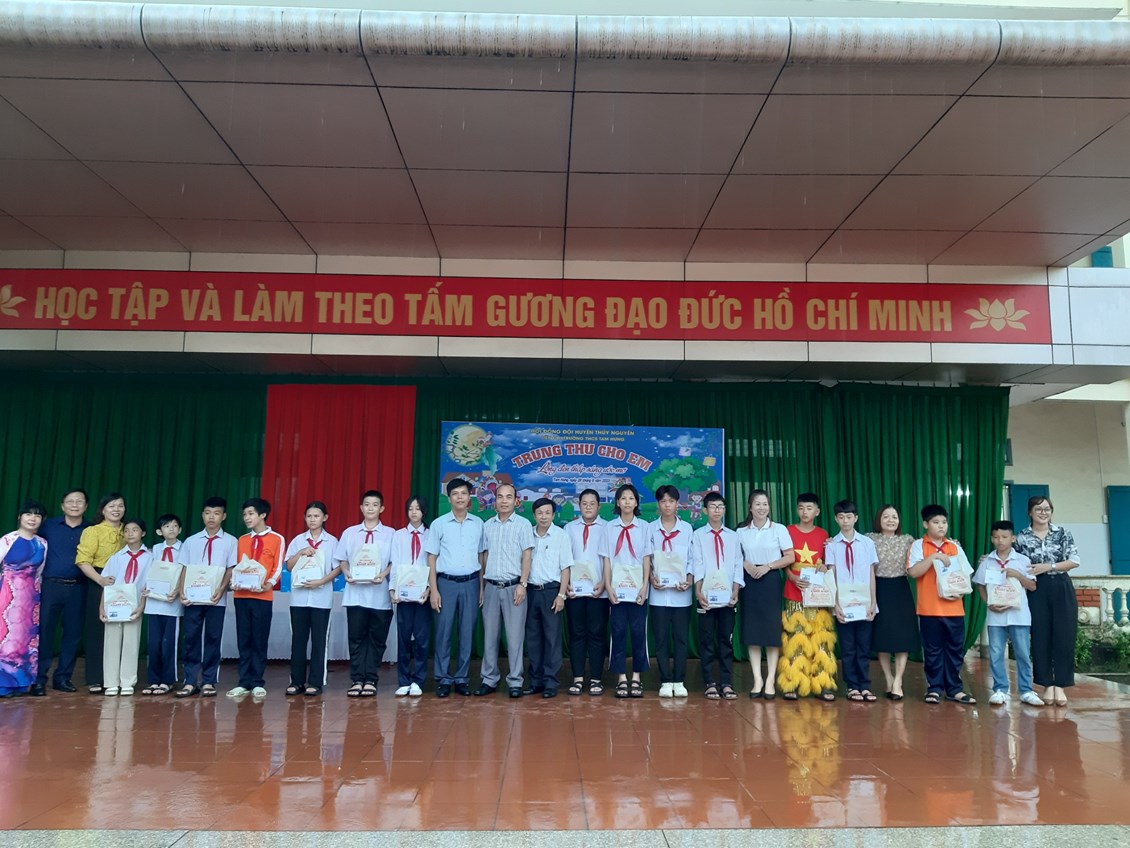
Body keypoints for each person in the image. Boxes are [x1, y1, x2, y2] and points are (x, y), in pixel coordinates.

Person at [1013, 497, 1080, 707]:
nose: (1043, 512)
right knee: (1040, 635)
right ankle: (1046, 684)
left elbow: (1074, 561)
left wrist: (1048, 567)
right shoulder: (1021, 536)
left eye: (1047, 509)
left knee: (1064, 635)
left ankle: (1060, 685)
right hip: (1035, 589)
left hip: (1061, 585)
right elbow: (1013, 560)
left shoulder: (1062, 533)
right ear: (1030, 512)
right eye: (1038, 509)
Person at [907, 504, 976, 705]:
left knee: (955, 650)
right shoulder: (919, 545)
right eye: (936, 522)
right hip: (929, 609)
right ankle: (934, 688)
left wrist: (960, 592)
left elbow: (966, 574)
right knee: (933, 650)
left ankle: (955, 689)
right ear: (925, 524)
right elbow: (913, 572)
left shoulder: (954, 546)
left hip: (954, 608)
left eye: (944, 522)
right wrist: (933, 557)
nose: (941, 526)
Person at [425, 478, 485, 698]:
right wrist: (434, 589)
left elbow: (481, 556)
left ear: (470, 497)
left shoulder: (478, 523)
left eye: (464, 493)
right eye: (455, 493)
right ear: (448, 497)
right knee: (443, 633)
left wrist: (481, 588)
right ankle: (442, 678)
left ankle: (461, 678)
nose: (460, 497)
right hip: (445, 584)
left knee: (467, 633)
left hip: (471, 583)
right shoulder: (439, 524)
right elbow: (431, 558)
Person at [974, 520, 1043, 707]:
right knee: (996, 653)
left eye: (1004, 537)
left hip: (1019, 615)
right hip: (996, 616)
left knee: (1023, 653)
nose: (1000, 541)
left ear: (1013, 538)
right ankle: (1000, 690)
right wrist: (988, 602)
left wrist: (1017, 575)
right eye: (996, 537)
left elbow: (1032, 586)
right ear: (991, 539)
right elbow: (980, 584)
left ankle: (1026, 690)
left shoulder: (1022, 560)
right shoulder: (987, 561)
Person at [476, 483, 534, 698]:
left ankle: (515, 681)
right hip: (491, 586)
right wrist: (481, 587)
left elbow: (527, 556)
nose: (504, 501)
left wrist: (523, 584)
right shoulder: (487, 526)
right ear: (495, 500)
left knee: (515, 637)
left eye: (509, 497)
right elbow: (483, 557)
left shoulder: (523, 524)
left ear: (516, 501)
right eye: (500, 496)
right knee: (490, 637)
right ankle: (489, 679)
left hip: (514, 587)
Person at [736, 489, 794, 699]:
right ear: (750, 507)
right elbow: (735, 555)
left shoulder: (779, 529)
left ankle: (770, 680)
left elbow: (790, 556)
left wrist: (768, 566)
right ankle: (757, 679)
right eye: (757, 504)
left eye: (765, 504)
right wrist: (746, 564)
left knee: (771, 632)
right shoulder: (741, 531)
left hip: (770, 580)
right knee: (752, 631)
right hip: (749, 581)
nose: (762, 508)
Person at [177, 496, 237, 698]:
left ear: (224, 516)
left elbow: (231, 568)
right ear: (202, 515)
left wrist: (221, 589)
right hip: (192, 598)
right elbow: (184, 568)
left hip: (215, 599)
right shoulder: (191, 541)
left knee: (213, 638)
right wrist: (181, 590)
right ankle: (190, 681)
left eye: (216, 513)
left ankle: (209, 681)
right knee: (191, 638)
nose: (212, 517)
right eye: (208, 513)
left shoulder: (231, 541)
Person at [335, 490, 394, 698]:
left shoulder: (391, 534)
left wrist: (384, 574)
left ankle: (371, 679)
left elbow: (394, 562)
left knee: (377, 640)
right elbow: (342, 559)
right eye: (367, 504)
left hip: (380, 596)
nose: (370, 508)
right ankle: (357, 679)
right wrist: (346, 572)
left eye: (375, 504)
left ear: (382, 508)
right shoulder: (350, 533)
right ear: (361, 507)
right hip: (355, 595)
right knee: (357, 639)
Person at [33, 488, 90, 696]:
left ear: (86, 506)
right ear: (62, 505)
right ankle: (38, 679)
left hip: (78, 587)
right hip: (51, 586)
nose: (75, 505)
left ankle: (63, 678)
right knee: (44, 633)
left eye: (79, 501)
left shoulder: (91, 529)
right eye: (70, 501)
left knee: (72, 635)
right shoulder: (47, 526)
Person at [229, 498, 285, 699]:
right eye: (245, 514)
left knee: (259, 639)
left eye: (251, 513)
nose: (247, 518)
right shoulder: (242, 540)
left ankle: (257, 682)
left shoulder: (277, 538)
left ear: (262, 515)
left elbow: (278, 566)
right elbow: (237, 566)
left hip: (263, 596)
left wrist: (270, 583)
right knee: (243, 638)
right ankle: (243, 681)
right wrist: (234, 581)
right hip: (241, 595)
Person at [691, 492, 742, 700]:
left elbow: (738, 563)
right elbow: (697, 563)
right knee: (706, 640)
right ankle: (709, 682)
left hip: (728, 598)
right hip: (706, 597)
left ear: (724, 510)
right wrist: (698, 591)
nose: (717, 510)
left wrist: (736, 590)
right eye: (712, 506)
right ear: (705, 510)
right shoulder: (698, 535)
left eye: (720, 506)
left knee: (725, 640)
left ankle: (726, 683)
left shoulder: (733, 536)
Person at [284, 501, 339, 697]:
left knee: (319, 641)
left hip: (321, 598)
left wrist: (322, 581)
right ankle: (296, 681)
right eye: (309, 516)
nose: (312, 519)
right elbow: (289, 566)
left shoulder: (332, 542)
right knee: (298, 641)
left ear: (325, 518)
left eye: (316, 516)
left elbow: (338, 568)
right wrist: (300, 552)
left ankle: (315, 682)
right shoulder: (298, 540)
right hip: (298, 598)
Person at [602, 483, 652, 699]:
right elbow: (606, 559)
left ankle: (637, 678)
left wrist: (645, 586)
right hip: (617, 591)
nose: (627, 502)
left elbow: (647, 558)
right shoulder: (609, 528)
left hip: (638, 590)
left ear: (636, 502)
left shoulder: (644, 527)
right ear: (617, 502)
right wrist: (608, 586)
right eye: (623, 498)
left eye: (631, 498)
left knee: (639, 633)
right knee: (618, 632)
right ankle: (621, 677)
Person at [826, 500, 879, 702]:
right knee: (848, 648)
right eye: (841, 517)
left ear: (856, 518)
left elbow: (871, 573)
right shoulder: (832, 545)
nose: (845, 521)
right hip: (843, 604)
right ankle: (852, 686)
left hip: (865, 604)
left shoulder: (867, 543)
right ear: (835, 519)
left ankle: (865, 685)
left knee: (864, 647)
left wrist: (873, 602)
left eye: (849, 517)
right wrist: (835, 605)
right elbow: (831, 574)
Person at [74, 492, 126, 694]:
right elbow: (83, 561)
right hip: (99, 580)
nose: (116, 509)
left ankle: (117, 677)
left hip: (124, 583)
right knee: (98, 630)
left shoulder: (128, 531)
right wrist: (101, 580)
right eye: (111, 506)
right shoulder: (92, 531)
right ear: (103, 510)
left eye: (120, 505)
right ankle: (96, 678)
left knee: (121, 630)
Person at [866, 505, 919, 701]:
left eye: (894, 517)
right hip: (878, 588)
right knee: (883, 637)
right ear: (879, 520)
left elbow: (925, 552)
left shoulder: (908, 540)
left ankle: (898, 681)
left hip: (900, 589)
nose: (891, 520)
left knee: (902, 637)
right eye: (886, 517)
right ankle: (888, 678)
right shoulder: (869, 539)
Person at [647, 485, 694, 698]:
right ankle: (665, 680)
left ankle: (679, 680)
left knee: (681, 639)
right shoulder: (650, 529)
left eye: (671, 501)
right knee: (661, 639)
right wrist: (651, 578)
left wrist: (689, 580)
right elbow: (646, 559)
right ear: (658, 504)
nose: (667, 505)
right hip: (658, 596)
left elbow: (693, 558)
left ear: (677, 504)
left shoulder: (687, 529)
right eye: (663, 501)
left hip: (681, 596)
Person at [523, 497, 570, 698]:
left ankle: (551, 682)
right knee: (533, 638)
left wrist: (561, 595)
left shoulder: (561, 535)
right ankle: (536, 682)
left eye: (547, 513)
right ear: (534, 515)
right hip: (531, 591)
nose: (544, 516)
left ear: (553, 515)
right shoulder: (527, 535)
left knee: (552, 639)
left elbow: (566, 567)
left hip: (551, 592)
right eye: (540, 513)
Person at [0, 500, 48, 697]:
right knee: (5, 639)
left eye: (37, 515)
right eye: (28, 514)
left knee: (27, 640)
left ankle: (21, 683)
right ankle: (3, 684)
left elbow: (40, 572)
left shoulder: (42, 544)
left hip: (31, 597)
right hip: (7, 594)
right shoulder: (8, 540)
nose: (32, 518)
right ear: (20, 517)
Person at [99, 518, 151, 696]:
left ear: (143, 533)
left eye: (135, 530)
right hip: (114, 605)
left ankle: (128, 681)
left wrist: (142, 605)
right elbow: (107, 584)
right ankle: (111, 682)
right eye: (126, 530)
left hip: (135, 604)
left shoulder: (150, 557)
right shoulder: (116, 557)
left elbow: (149, 585)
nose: (130, 533)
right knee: (111, 642)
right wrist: (102, 607)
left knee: (131, 642)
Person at [564, 488, 608, 696]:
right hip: (575, 591)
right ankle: (578, 678)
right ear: (578, 505)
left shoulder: (607, 528)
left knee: (597, 635)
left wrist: (604, 583)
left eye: (592, 503)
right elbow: (564, 558)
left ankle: (597, 679)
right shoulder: (569, 528)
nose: (588, 507)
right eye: (584, 503)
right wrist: (566, 585)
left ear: (599, 506)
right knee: (577, 634)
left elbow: (609, 560)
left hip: (599, 591)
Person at [390, 495, 430, 697]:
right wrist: (393, 589)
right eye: (411, 509)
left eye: (418, 508)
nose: (414, 512)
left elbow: (433, 564)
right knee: (403, 638)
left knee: (422, 639)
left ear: (424, 512)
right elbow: (395, 563)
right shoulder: (398, 536)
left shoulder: (431, 535)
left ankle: (418, 680)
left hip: (423, 594)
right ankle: (404, 680)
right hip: (403, 594)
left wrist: (429, 589)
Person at [142, 513, 183, 695]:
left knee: (169, 644)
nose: (171, 529)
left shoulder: (184, 549)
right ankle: (153, 680)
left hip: (172, 605)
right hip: (153, 603)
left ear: (180, 529)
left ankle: (168, 680)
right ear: (159, 531)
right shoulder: (154, 550)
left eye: (174, 526)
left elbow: (185, 572)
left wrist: (178, 590)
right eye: (167, 526)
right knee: (154, 644)